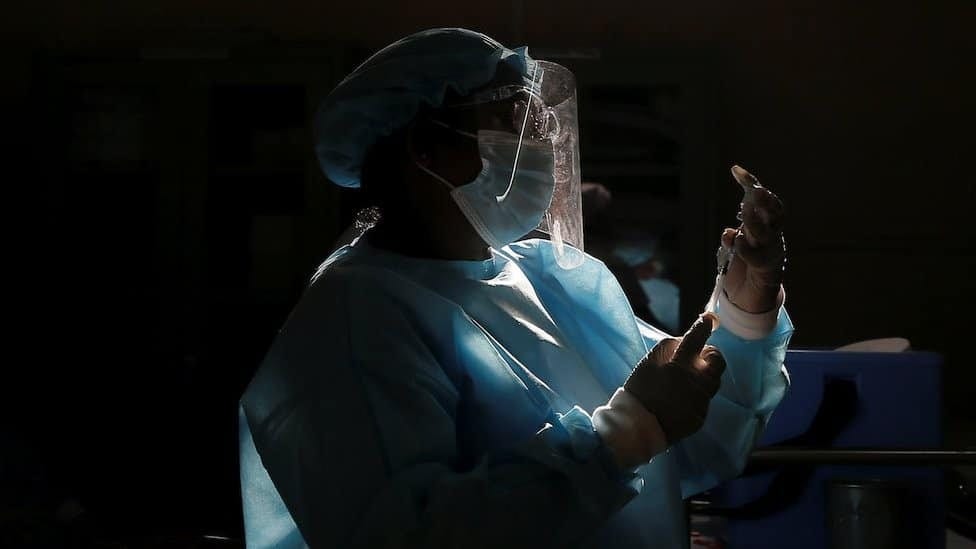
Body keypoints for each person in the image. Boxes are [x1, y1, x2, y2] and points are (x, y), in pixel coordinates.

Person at [239, 28, 792, 548]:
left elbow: (695, 431)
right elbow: (406, 532)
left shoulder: (546, 279)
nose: (538, 141)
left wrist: (746, 304)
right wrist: (623, 437)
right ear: (424, 149)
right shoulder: (355, 322)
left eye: (538, 120)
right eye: (508, 118)